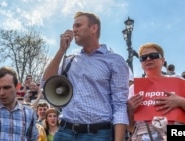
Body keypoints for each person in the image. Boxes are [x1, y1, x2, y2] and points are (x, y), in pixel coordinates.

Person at [42, 11, 129, 141]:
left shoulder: (115, 61)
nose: (74, 30)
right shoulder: (70, 59)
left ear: (94, 28)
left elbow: (120, 104)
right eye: (73, 27)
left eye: (78, 26)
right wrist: (61, 51)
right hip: (65, 132)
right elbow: (45, 83)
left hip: (97, 134)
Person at [127, 43, 185, 140]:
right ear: (141, 63)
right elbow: (130, 128)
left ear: (162, 60)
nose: (148, 59)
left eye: (153, 56)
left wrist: (180, 101)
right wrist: (130, 111)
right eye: (143, 57)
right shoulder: (133, 89)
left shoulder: (179, 81)